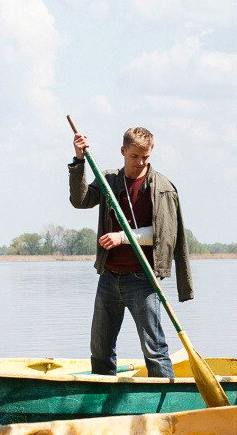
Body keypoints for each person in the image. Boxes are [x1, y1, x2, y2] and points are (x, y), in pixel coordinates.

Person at [68, 126, 193, 378]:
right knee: (100, 349)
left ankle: (166, 404)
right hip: (109, 277)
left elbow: (163, 235)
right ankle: (102, 403)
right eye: (134, 156)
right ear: (123, 151)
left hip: (143, 280)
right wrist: (79, 160)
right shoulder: (109, 181)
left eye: (145, 156)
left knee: (154, 349)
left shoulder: (163, 188)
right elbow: (80, 200)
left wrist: (122, 237)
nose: (140, 162)